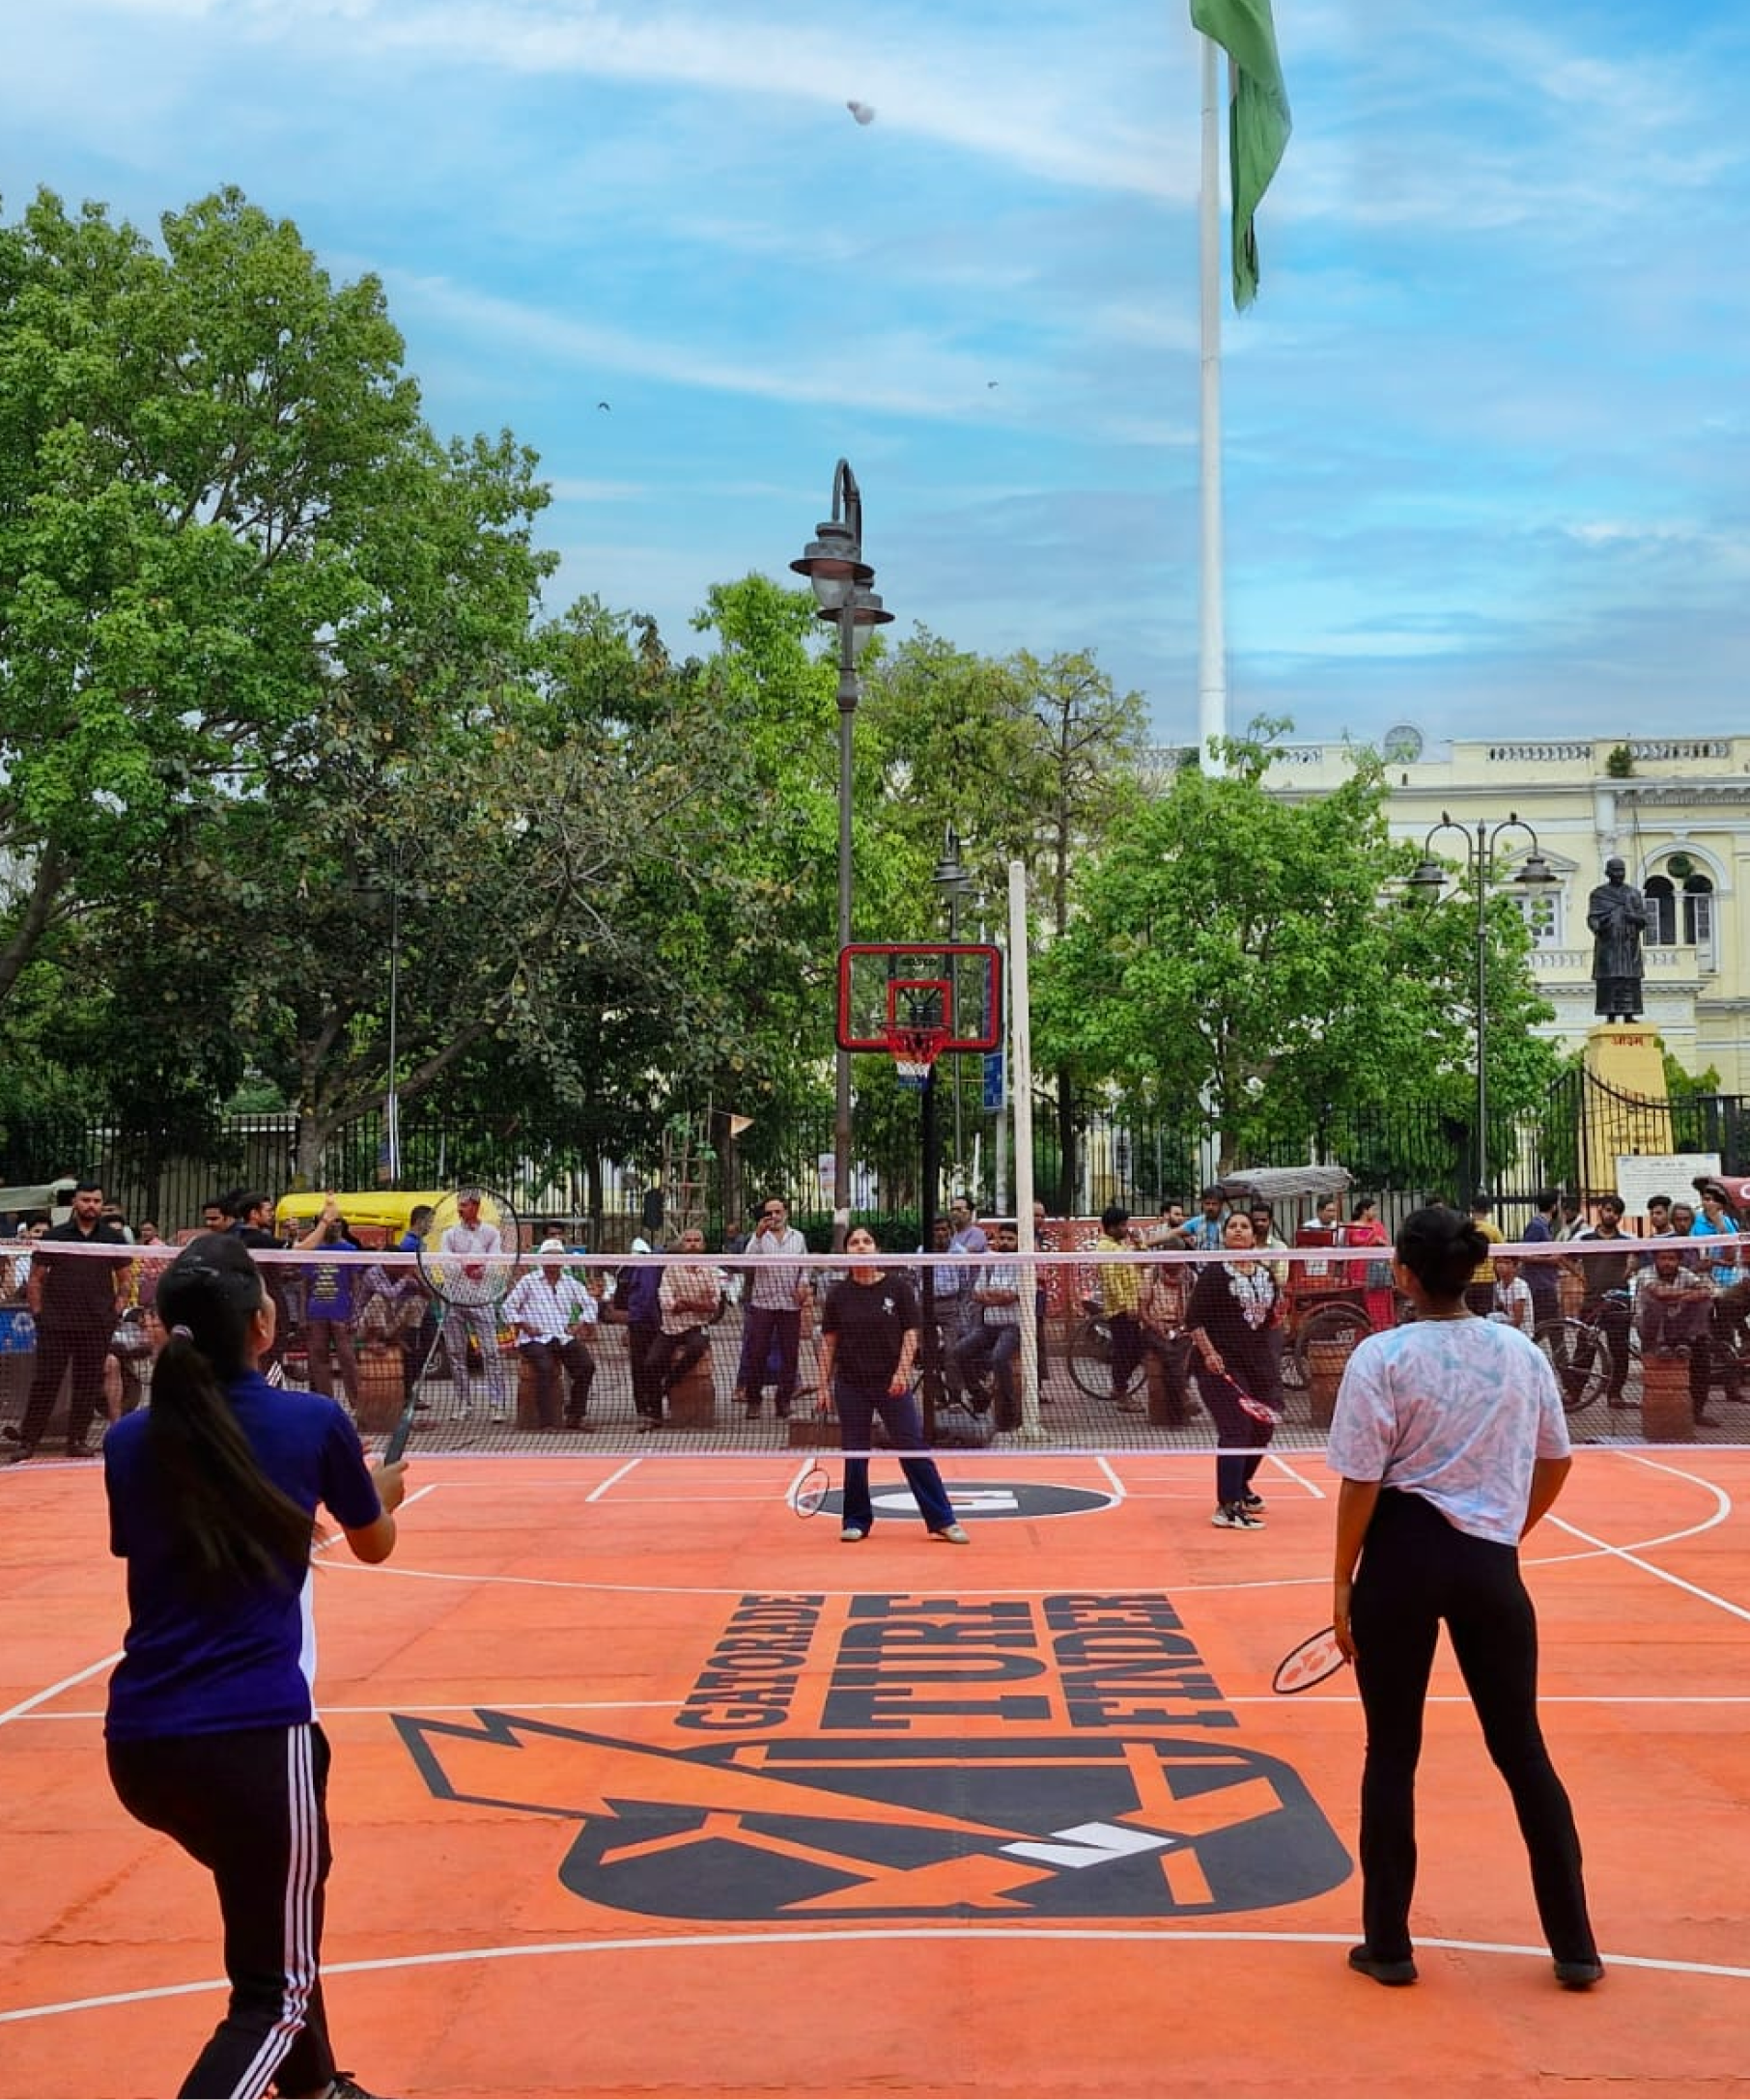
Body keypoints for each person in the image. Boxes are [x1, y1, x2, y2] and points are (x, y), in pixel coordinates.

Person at [102, 1230, 407, 2099]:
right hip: (254, 1739)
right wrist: (376, 1495)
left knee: (277, 1924)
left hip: (143, 1745)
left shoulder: (128, 1441)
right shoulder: (313, 1419)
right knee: (275, 1992)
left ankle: (314, 2089)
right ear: (265, 1326)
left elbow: (204, 1537)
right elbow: (375, 1547)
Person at [1327, 1204, 1601, 1993]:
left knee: (1393, 1752)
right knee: (1523, 1751)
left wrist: (1341, 1586)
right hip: (1490, 1564)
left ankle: (1389, 1944)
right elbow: (1557, 1459)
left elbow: (1361, 1481)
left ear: (1405, 1275)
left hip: (1400, 1562)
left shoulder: (1381, 1356)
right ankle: (1576, 1945)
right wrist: (1505, 1530)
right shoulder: (1519, 1351)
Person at [818, 1225, 967, 1545]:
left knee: (913, 1449)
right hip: (851, 1384)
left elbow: (910, 1333)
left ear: (877, 1248)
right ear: (846, 1252)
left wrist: (902, 1374)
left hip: (892, 1384)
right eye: (854, 1242)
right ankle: (856, 1520)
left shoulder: (897, 1288)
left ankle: (942, 1519)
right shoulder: (838, 1294)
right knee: (855, 1454)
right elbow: (829, 1342)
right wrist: (822, 1386)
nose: (861, 1247)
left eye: (867, 1241)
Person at [4, 1180, 131, 1461]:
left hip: (97, 1324)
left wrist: (115, 1312)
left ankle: (77, 1441)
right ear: (75, 1203)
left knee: (87, 1383)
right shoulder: (55, 1236)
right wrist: (39, 1314)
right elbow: (36, 1279)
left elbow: (125, 1280)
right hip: (56, 1324)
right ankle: (27, 1442)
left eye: (97, 1201)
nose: (91, 1206)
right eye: (86, 1200)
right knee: (45, 1383)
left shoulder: (112, 1239)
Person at [1184, 1210, 1283, 1529]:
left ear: (1254, 1237)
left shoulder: (1266, 1275)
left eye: (1245, 1227)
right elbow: (1194, 1320)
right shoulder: (1214, 1275)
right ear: (1225, 1236)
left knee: (1263, 1427)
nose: (1238, 1231)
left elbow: (1270, 1320)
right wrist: (1209, 1354)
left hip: (1257, 1363)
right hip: (1219, 1364)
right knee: (1236, 1429)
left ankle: (1240, 1487)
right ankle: (1227, 1506)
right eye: (1233, 1227)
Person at [502, 1238, 599, 1430]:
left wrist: (579, 1325)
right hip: (533, 1339)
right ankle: (547, 1421)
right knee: (545, 1367)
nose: (553, 1263)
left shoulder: (570, 1283)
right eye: (549, 1258)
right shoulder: (529, 1282)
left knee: (586, 1366)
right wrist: (525, 1325)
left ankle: (575, 1415)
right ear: (542, 1260)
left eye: (557, 1258)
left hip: (561, 1337)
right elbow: (507, 1307)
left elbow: (591, 1305)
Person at [438, 1189, 511, 1423]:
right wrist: (466, 1267)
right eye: (459, 1206)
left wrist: (482, 1269)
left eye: (465, 1205)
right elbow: (446, 1264)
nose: (460, 1210)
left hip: (482, 1299)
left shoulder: (490, 1233)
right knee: (456, 1354)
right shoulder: (449, 1235)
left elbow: (496, 1260)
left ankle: (497, 1405)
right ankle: (463, 1404)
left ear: (476, 1207)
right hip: (453, 1299)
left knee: (491, 1353)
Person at [736, 1196, 810, 1420]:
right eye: (770, 1213)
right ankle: (754, 1400)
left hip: (790, 1304)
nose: (774, 1217)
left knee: (790, 1355)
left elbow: (804, 1267)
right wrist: (757, 1237)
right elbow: (745, 1264)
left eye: (778, 1212)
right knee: (757, 1353)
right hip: (762, 1303)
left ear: (786, 1213)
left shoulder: (798, 1238)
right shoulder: (757, 1238)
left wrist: (803, 1285)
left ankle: (784, 1401)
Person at [648, 1226, 723, 1421]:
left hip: (697, 1326)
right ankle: (655, 1414)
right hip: (670, 1327)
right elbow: (667, 1303)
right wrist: (696, 1304)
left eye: (696, 1240)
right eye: (688, 1241)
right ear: (682, 1246)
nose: (692, 1244)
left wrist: (686, 1303)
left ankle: (671, 1382)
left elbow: (713, 1305)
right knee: (652, 1363)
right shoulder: (671, 1269)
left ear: (703, 1245)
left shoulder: (711, 1270)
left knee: (697, 1347)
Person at [1094, 1204, 1144, 1414]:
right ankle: (1121, 1392)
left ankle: (1118, 1386)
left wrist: (1139, 1243)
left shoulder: (1121, 1246)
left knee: (1134, 1349)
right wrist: (1126, 1306)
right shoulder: (1105, 1249)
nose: (1126, 1229)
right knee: (1127, 1351)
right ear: (1112, 1228)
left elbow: (1144, 1262)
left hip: (1132, 1305)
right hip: (1120, 1310)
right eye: (1123, 1225)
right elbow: (1110, 1281)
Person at [1588, 855, 1648, 1022]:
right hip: (1609, 943)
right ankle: (1610, 1015)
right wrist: (1599, 925)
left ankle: (1630, 1015)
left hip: (1629, 945)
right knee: (1610, 979)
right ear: (1608, 872)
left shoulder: (1633, 894)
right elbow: (1593, 918)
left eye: (1622, 871)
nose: (1619, 874)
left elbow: (1644, 919)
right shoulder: (1599, 895)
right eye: (1616, 871)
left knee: (1629, 979)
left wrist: (1632, 917)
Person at [1346, 1195, 1396, 1332]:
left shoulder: (1378, 1226)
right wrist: (1372, 1239)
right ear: (1364, 1210)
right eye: (1373, 1209)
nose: (1375, 1213)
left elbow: (1385, 1243)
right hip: (1360, 1269)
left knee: (1382, 1294)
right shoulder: (1353, 1226)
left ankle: (1384, 1327)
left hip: (1378, 1269)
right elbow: (1355, 1240)